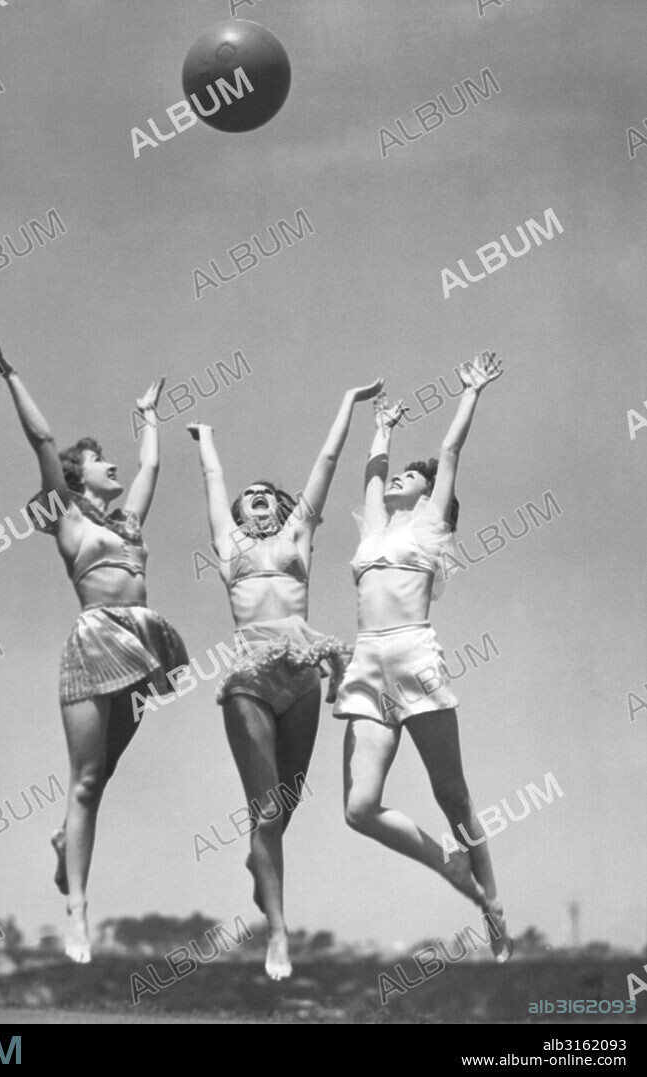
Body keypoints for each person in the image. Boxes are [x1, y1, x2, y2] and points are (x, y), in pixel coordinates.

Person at [0, 341, 188, 964]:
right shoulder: (69, 520)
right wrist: (12, 376)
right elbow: (43, 440)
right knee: (88, 780)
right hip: (95, 641)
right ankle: (77, 913)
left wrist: (149, 414)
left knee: (108, 769)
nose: (113, 466)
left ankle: (61, 838)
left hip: (145, 645)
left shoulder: (128, 524)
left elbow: (151, 470)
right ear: (78, 477)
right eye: (101, 461)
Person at [186, 379, 382, 979]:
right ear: (240, 514)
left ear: (284, 506)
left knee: (287, 801)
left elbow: (326, 461)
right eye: (249, 497)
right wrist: (208, 441)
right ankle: (277, 930)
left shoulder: (300, 537)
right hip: (248, 677)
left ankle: (258, 863)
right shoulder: (229, 544)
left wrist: (347, 401)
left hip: (302, 673)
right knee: (268, 809)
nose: (256, 498)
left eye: (267, 493)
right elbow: (213, 485)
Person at [333, 352, 513, 962]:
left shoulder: (431, 526)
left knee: (453, 795)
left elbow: (452, 454)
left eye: (412, 476)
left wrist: (470, 394)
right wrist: (381, 427)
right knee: (359, 809)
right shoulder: (375, 528)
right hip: (366, 665)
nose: (398, 480)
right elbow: (369, 475)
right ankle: (457, 877)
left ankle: (492, 900)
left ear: (432, 494)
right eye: (400, 476)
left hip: (413, 653)